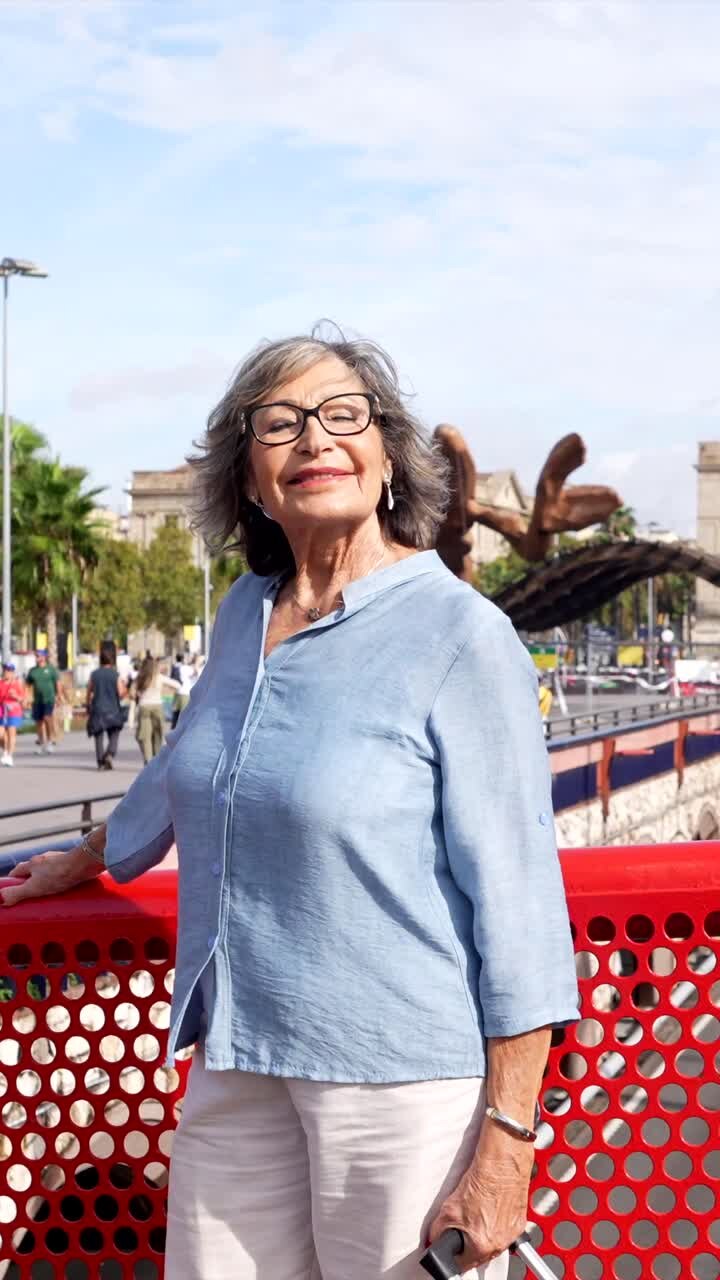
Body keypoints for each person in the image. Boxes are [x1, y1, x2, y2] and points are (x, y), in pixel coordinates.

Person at [0, 329, 579, 1280]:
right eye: (281, 424)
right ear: (252, 481)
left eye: (342, 416)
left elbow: (521, 909)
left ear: (388, 456)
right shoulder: (243, 611)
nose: (315, 439)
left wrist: (507, 1143)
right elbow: (194, 763)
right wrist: (88, 856)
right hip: (236, 1049)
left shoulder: (460, 635)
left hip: (398, 1083)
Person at [86, 641, 126, 770]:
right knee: (114, 733)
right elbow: (121, 693)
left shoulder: (94, 674)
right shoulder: (115, 675)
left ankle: (100, 762)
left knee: (98, 736)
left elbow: (89, 691)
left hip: (97, 709)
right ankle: (109, 753)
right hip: (113, 710)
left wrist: (88, 705)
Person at [133, 657, 179, 764]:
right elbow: (177, 685)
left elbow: (132, 692)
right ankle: (156, 761)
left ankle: (148, 761)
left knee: (145, 736)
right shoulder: (159, 677)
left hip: (144, 707)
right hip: (157, 706)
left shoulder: (140, 677)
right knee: (158, 734)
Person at [25, 650, 61, 753]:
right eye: (36, 656)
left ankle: (50, 741)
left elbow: (57, 683)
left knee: (47, 718)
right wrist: (27, 697)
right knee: (39, 722)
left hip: (49, 699)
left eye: (39, 656)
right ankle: (41, 743)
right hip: (37, 700)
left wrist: (58, 696)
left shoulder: (51, 669)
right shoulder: (33, 671)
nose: (37, 657)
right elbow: (27, 685)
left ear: (44, 657)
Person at [0, 662, 26, 766]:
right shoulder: (1, 683)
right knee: (1, 734)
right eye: (6, 670)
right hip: (2, 710)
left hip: (14, 710)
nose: (7, 672)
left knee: (11, 733)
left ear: (13, 672)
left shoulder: (17, 684)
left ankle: (10, 756)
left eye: (9, 671)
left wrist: (16, 696)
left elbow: (23, 700)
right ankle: (5, 751)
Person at [171, 654, 197, 729]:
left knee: (176, 713)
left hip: (177, 692)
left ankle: (174, 729)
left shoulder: (177, 667)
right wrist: (195, 662)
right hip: (185, 693)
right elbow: (195, 673)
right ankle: (181, 730)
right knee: (184, 714)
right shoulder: (186, 668)